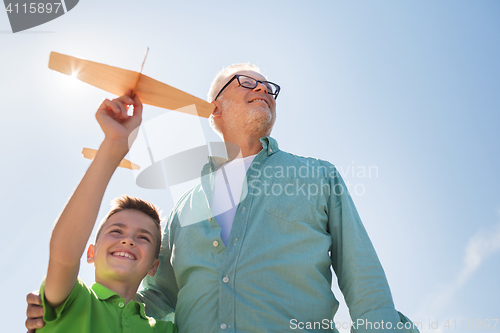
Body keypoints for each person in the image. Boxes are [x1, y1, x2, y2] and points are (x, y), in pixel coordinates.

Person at [27, 65, 418, 332]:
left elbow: (363, 279)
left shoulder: (317, 176)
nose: (264, 89)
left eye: (269, 88)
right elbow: (157, 296)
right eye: (247, 83)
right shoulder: (182, 211)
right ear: (214, 109)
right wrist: (68, 307)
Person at [32, 92, 177, 333]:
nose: (127, 239)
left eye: (143, 237)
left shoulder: (165, 330)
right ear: (90, 252)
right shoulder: (72, 299)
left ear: (154, 266)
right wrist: (115, 144)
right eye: (116, 230)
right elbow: (63, 254)